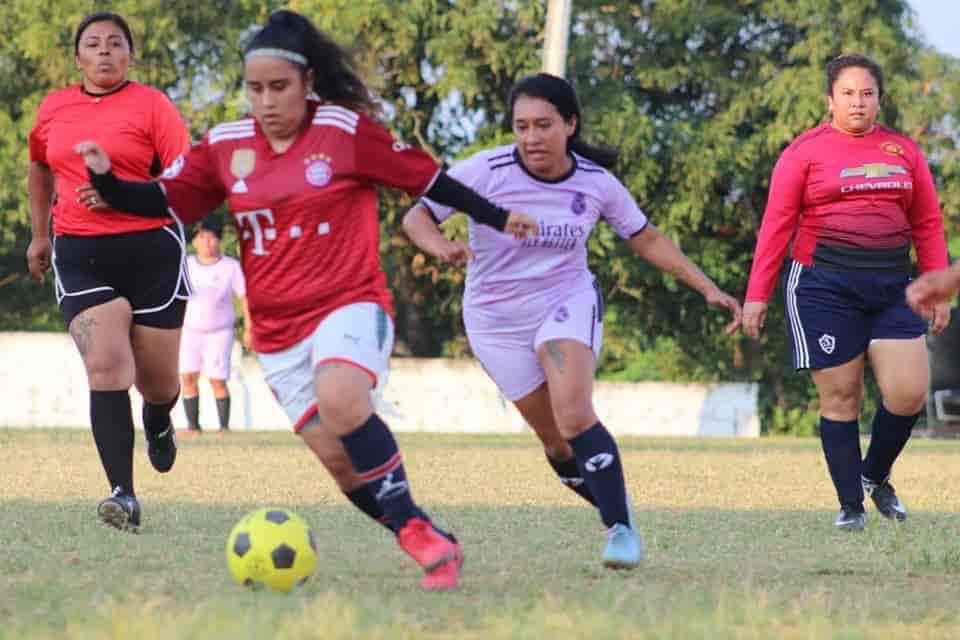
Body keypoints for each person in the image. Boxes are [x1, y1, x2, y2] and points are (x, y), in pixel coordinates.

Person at [74, 9, 537, 590]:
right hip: (276, 334)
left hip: (349, 304)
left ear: (308, 83)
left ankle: (422, 545)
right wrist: (109, 183)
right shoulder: (226, 145)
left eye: (279, 88)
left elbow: (428, 179)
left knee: (342, 400)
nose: (266, 102)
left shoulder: (345, 132)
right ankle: (421, 528)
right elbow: (165, 198)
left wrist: (499, 216)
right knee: (343, 466)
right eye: (255, 89)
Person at [402, 73, 743, 569]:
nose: (532, 137)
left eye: (544, 125)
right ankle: (618, 509)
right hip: (495, 320)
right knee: (556, 441)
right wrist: (441, 247)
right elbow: (417, 216)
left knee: (575, 413)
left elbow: (646, 239)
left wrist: (708, 286)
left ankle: (619, 530)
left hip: (565, 300)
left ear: (570, 124)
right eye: (522, 126)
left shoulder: (595, 183)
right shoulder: (484, 170)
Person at [742, 54, 949, 531]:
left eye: (867, 93)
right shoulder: (804, 152)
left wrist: (938, 286)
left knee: (908, 392)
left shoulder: (904, 151)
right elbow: (776, 227)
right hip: (823, 286)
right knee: (841, 397)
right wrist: (757, 295)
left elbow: (926, 222)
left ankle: (874, 476)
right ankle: (850, 507)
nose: (858, 102)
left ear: (880, 99)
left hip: (894, 284)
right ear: (829, 99)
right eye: (848, 93)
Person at [25, 12, 191, 534]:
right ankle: (123, 492)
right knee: (105, 368)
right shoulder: (54, 108)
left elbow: (186, 175)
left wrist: (123, 191)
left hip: (151, 250)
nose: (103, 52)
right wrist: (39, 233)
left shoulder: (152, 106)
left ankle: (160, 419)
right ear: (77, 57)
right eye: (92, 44)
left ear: (130, 55)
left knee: (158, 383)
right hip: (80, 250)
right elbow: (39, 166)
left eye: (115, 44)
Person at [179, 216, 251, 435]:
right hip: (190, 331)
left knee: (217, 378)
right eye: (201, 237)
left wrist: (250, 327)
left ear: (218, 240)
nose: (206, 242)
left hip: (219, 331)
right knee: (188, 376)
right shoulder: (187, 265)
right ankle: (193, 426)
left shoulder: (230, 267)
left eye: (210, 237)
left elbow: (245, 296)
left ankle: (224, 427)